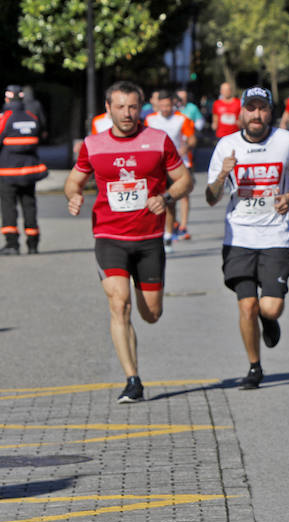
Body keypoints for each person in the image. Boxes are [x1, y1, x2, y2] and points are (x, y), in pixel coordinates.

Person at [64, 81, 193, 403]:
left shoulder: (157, 140)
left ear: (140, 109)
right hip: (109, 236)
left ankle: (138, 334)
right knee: (118, 303)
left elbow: (185, 180)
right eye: (120, 107)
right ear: (108, 109)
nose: (127, 113)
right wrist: (74, 196)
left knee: (150, 314)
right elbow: (73, 181)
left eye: (133, 107)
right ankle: (132, 380)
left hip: (149, 238)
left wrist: (165, 197)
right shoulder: (93, 144)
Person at [206, 87, 289, 389]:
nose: (256, 114)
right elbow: (212, 198)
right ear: (241, 112)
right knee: (247, 306)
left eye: (262, 108)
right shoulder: (226, 146)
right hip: (239, 236)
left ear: (269, 112)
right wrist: (222, 176)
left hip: (275, 236)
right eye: (250, 108)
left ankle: (269, 320)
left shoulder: (285, 141)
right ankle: (255, 366)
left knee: (270, 308)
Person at [0, 85, 48, 255]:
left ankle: (12, 244)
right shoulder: (31, 117)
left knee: (8, 207)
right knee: (29, 205)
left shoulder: (3, 118)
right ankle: (33, 243)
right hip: (29, 171)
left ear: (7, 99)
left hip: (8, 172)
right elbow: (38, 137)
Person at [145, 90, 197, 246]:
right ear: (158, 105)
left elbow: (192, 139)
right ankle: (157, 231)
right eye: (163, 105)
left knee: (171, 200)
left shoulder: (182, 119)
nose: (166, 108)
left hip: (178, 165)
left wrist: (186, 147)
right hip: (157, 165)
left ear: (173, 104)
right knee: (155, 198)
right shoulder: (150, 119)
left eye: (168, 105)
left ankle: (169, 234)